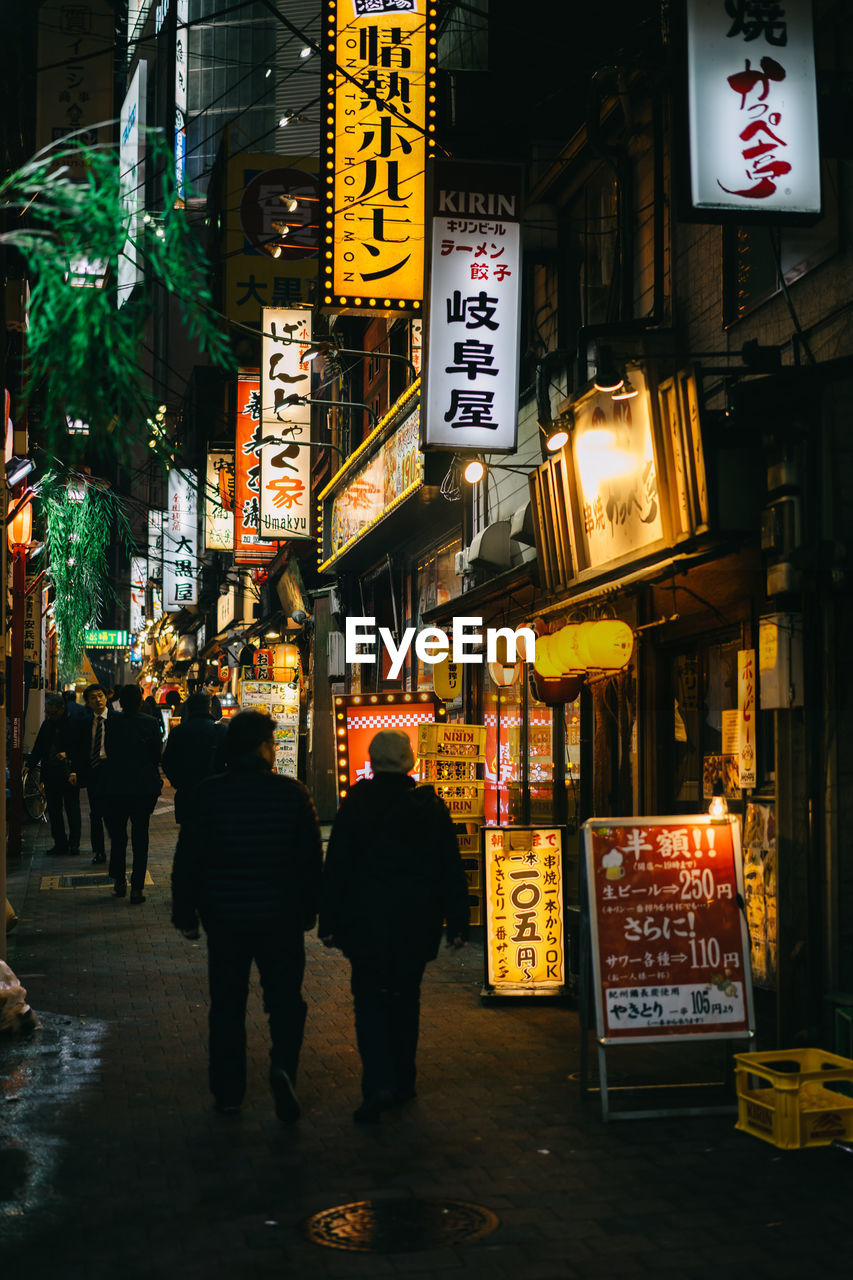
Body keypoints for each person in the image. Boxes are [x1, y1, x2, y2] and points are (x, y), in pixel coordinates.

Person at [171, 710, 322, 1121]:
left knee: (227, 1005)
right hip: (281, 918)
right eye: (272, 743)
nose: (275, 751)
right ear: (260, 747)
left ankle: (228, 1092)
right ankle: (282, 1068)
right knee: (286, 1002)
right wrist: (310, 911)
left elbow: (189, 859)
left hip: (226, 917)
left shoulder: (208, 794)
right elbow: (311, 861)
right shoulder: (292, 794)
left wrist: (185, 911)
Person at [319, 728, 469, 1123]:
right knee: (406, 999)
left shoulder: (356, 803)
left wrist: (329, 921)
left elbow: (337, 867)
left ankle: (378, 1084)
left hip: (364, 922)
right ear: (409, 763)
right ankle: (404, 1080)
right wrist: (457, 923)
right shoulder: (429, 807)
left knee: (369, 1002)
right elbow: (450, 869)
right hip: (415, 922)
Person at [101, 684, 162, 903]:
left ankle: (119, 880)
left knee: (118, 837)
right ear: (140, 701)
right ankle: (137, 888)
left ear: (120, 701)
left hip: (117, 786)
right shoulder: (151, 723)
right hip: (143, 787)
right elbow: (156, 754)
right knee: (140, 836)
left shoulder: (113, 722)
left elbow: (109, 749)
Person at [161, 691, 227, 824]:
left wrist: (178, 782)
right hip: (214, 794)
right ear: (208, 708)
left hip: (186, 793)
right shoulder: (220, 731)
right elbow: (231, 760)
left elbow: (167, 762)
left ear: (189, 709)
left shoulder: (178, 732)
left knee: (188, 836)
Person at [28, 694, 82, 855]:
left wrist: (69, 755)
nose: (50, 716)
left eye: (53, 713)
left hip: (68, 773)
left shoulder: (73, 724)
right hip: (51, 773)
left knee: (72, 808)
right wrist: (29, 764)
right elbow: (39, 747)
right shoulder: (47, 724)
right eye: (48, 713)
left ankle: (74, 843)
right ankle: (60, 843)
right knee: (54, 810)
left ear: (62, 708)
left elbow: (81, 748)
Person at [75, 683, 116, 866]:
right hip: (93, 770)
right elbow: (80, 749)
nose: (98, 700)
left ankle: (117, 846)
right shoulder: (84, 722)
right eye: (93, 697)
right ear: (88, 702)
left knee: (114, 812)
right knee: (95, 814)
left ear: (106, 697)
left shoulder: (117, 719)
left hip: (112, 769)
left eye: (100, 695)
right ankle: (99, 851)